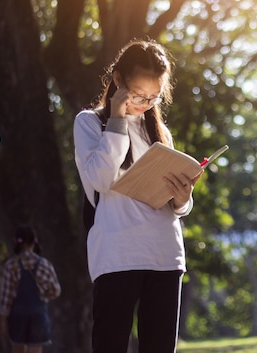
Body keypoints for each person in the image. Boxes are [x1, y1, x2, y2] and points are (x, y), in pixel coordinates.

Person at [74, 38, 200, 353]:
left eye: (153, 97)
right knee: (110, 345)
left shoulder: (159, 133)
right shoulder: (90, 123)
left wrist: (183, 198)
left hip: (164, 254)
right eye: (138, 95)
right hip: (117, 254)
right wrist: (117, 121)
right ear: (118, 80)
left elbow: (177, 207)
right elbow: (101, 179)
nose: (145, 104)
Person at [0, 225, 61, 353]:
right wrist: (44, 292)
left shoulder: (12, 265)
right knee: (35, 349)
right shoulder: (44, 264)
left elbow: (6, 297)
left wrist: (3, 321)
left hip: (18, 316)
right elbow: (56, 290)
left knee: (18, 348)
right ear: (34, 242)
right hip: (38, 314)